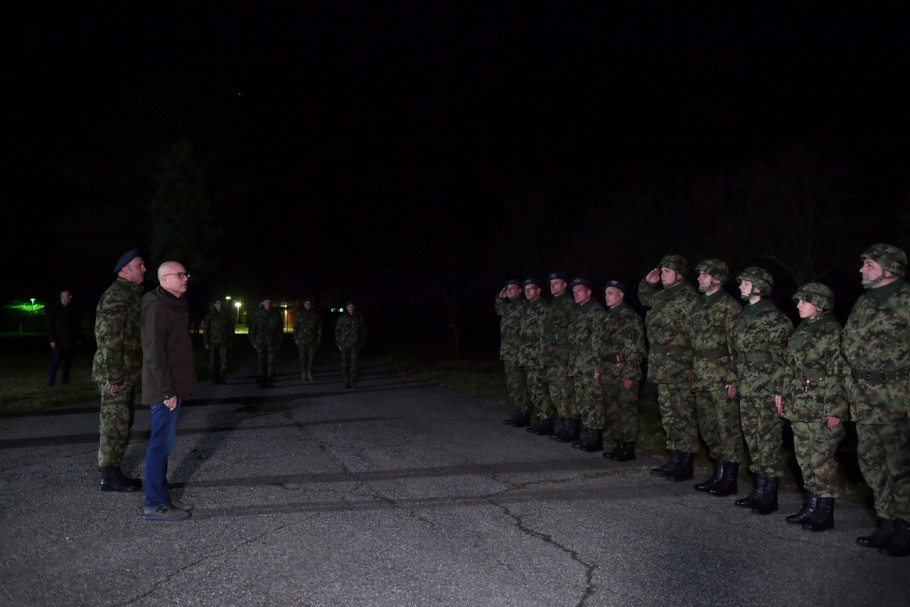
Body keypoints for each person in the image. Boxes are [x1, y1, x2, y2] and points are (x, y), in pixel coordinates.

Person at [841, 243, 910, 556]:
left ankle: (905, 526)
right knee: (871, 463)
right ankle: (885, 522)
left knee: (900, 466)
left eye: (869, 264)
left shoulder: (906, 300)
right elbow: (847, 346)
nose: (862, 269)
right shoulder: (864, 302)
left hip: (897, 397)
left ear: (890, 268)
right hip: (864, 397)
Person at [775, 282, 848, 532]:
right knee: (804, 456)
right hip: (800, 403)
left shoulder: (832, 332)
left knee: (821, 458)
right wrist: (781, 393)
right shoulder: (801, 330)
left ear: (820, 305)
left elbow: (839, 372)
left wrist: (836, 408)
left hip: (821, 405)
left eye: (804, 301)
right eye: (798, 301)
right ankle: (811, 505)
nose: (798, 305)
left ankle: (825, 512)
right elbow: (791, 368)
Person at [730, 266, 793, 515]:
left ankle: (769, 494)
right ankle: (758, 490)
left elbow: (782, 358)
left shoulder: (776, 318)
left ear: (760, 287)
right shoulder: (745, 314)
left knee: (768, 439)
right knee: (752, 438)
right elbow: (737, 353)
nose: (740, 287)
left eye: (746, 283)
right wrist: (734, 379)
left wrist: (779, 390)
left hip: (766, 387)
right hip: (747, 386)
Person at [141, 261, 196, 521]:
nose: (185, 278)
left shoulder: (171, 303)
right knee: (160, 445)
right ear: (164, 279)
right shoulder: (157, 305)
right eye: (180, 275)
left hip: (171, 386)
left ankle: (162, 497)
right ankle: (155, 504)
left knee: (165, 444)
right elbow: (154, 352)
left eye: (186, 274)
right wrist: (167, 391)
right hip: (165, 389)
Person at [639, 254, 700, 481]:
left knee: (683, 413)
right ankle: (675, 457)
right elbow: (645, 298)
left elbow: (696, 334)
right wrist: (648, 282)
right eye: (661, 271)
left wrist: (692, 363)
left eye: (667, 271)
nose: (662, 275)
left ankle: (685, 462)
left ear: (679, 274)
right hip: (661, 364)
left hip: (679, 364)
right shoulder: (663, 295)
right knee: (668, 412)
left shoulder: (689, 298)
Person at [686, 259, 743, 496]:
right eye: (699, 274)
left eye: (704, 274)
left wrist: (733, 377)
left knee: (726, 426)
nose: (699, 278)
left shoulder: (729, 307)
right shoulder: (700, 305)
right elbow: (693, 341)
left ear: (717, 279)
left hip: (721, 376)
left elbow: (736, 346)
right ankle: (718, 472)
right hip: (701, 375)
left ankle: (730, 478)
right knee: (708, 426)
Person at [92, 249, 146, 492]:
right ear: (125, 269)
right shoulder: (116, 296)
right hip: (117, 373)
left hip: (126, 370)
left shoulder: (131, 294)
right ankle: (109, 475)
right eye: (139, 265)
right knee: (114, 423)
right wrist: (114, 374)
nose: (144, 269)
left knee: (123, 422)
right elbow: (109, 338)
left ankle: (113, 470)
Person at [601, 280, 646, 461]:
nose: (607, 297)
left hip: (623, 369)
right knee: (612, 409)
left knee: (626, 409)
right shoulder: (609, 316)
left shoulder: (629, 317)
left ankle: (628, 447)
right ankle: (618, 444)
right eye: (606, 293)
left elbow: (635, 348)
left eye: (610, 293)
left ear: (621, 295)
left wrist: (630, 373)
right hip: (610, 370)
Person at [566, 278, 607, 452]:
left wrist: (598, 368)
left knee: (593, 400)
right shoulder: (577, 312)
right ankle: (588, 434)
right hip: (578, 363)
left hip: (590, 363)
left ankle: (595, 438)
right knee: (583, 400)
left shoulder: (596, 312)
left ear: (589, 292)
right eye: (574, 291)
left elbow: (599, 343)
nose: (576, 294)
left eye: (579, 290)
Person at [543, 272, 577, 440]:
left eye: (556, 283)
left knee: (566, 391)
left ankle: (571, 428)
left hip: (564, 355)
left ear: (564, 285)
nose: (553, 286)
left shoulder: (569, 302)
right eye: (551, 284)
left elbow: (572, 329)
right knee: (556, 391)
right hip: (553, 355)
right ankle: (564, 425)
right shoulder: (554, 303)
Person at [517, 278, 553, 433]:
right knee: (533, 388)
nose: (527, 292)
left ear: (538, 291)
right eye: (525, 289)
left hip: (537, 356)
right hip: (528, 356)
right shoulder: (528, 308)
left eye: (531, 288)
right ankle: (541, 418)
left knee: (540, 388)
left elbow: (546, 335)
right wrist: (520, 351)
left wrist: (543, 356)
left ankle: (547, 420)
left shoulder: (542, 308)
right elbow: (524, 334)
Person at [496, 279, 529, 426]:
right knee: (512, 384)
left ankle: (523, 413)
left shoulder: (523, 306)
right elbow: (499, 309)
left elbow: (526, 331)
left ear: (520, 291)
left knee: (519, 383)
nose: (509, 290)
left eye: (512, 288)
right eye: (507, 288)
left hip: (517, 352)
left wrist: (522, 350)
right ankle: (518, 410)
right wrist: (500, 297)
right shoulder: (509, 307)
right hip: (507, 352)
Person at [47, 289, 81, 386]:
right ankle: (51, 382)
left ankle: (65, 381)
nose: (70, 297)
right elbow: (50, 326)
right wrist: (52, 340)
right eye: (68, 295)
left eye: (70, 295)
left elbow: (77, 325)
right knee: (55, 361)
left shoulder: (72, 309)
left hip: (69, 341)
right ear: (62, 297)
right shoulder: (55, 310)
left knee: (67, 362)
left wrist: (78, 338)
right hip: (58, 341)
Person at [250, 296, 283, 388]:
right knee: (261, 362)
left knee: (271, 362)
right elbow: (252, 329)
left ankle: (270, 380)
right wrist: (253, 342)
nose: (268, 304)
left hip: (272, 342)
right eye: (266, 302)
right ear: (263, 303)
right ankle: (262, 380)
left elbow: (280, 329)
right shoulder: (257, 314)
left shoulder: (276, 314)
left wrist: (279, 342)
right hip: (260, 342)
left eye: (269, 302)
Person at [335, 300, 367, 389]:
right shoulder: (342, 318)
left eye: (352, 307)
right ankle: (346, 380)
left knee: (354, 363)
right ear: (347, 308)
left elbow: (363, 331)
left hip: (355, 344)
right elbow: (337, 330)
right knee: (345, 363)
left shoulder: (359, 318)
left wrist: (361, 343)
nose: (351, 308)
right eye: (349, 307)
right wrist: (338, 343)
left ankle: (353, 381)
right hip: (344, 344)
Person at [202, 298, 234, 384]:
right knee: (213, 361)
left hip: (223, 341)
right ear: (215, 304)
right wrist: (206, 342)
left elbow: (231, 328)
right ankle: (215, 378)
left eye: (221, 303)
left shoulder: (226, 315)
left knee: (224, 360)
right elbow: (206, 329)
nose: (220, 305)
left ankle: (222, 377)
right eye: (218, 303)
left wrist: (231, 340)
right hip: (213, 342)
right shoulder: (210, 315)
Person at [294, 297, 322, 381]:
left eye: (309, 303)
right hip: (302, 339)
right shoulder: (299, 314)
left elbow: (319, 327)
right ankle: (304, 372)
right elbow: (295, 326)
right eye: (306, 303)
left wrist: (319, 338)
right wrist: (295, 338)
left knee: (311, 357)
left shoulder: (315, 315)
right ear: (304, 304)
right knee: (302, 357)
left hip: (312, 339)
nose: (308, 305)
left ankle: (309, 372)